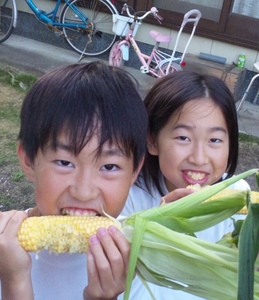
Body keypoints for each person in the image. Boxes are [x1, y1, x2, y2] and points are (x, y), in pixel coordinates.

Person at [121, 70, 259, 299]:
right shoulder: (127, 196)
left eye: (215, 140)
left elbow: (229, 282)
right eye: (183, 137)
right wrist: (156, 224)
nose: (199, 158)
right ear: (152, 140)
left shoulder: (239, 195)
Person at [0, 61, 148, 300]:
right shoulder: (3, 251)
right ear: (28, 160)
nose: (84, 191)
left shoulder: (138, 261)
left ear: (135, 171)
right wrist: (13, 281)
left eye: (109, 166)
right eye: (64, 163)